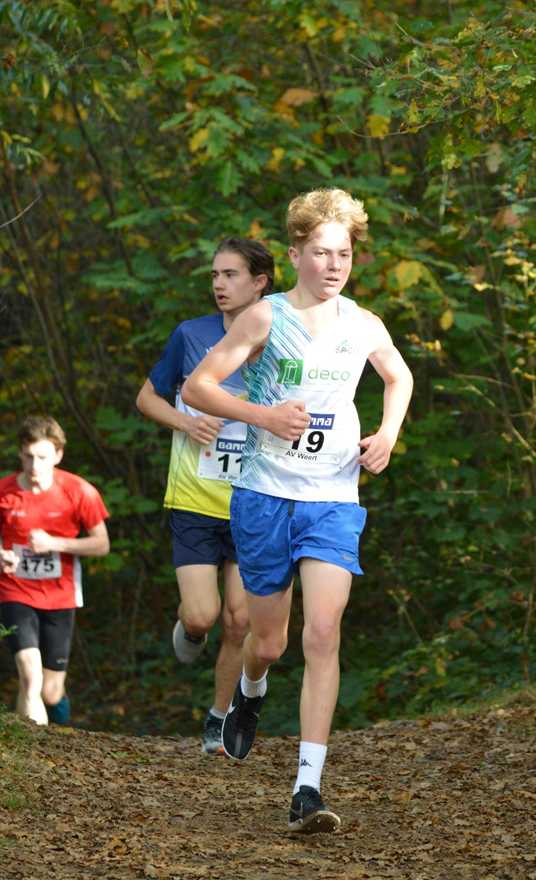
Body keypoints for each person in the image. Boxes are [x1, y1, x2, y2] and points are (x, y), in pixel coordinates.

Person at [181, 188, 413, 833]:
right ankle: (250, 692)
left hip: (334, 498)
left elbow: (399, 376)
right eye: (320, 253)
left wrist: (389, 433)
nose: (334, 265)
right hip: (264, 496)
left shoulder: (364, 323)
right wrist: (263, 415)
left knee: (323, 632)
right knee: (270, 640)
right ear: (295, 255)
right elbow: (200, 385)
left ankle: (307, 787)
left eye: (343, 254)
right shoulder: (264, 317)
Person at [136, 236, 275, 755]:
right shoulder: (190, 336)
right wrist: (185, 422)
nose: (218, 284)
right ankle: (191, 630)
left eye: (230, 274)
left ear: (260, 281)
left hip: (252, 500)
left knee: (241, 620)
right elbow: (147, 397)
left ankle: (219, 718)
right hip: (194, 499)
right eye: (214, 275)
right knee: (203, 615)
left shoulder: (282, 341)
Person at [0, 416, 110, 725]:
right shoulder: (4, 491)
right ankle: (33, 758)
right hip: (14, 591)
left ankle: (56, 720)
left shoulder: (79, 491)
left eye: (43, 457)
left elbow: (101, 544)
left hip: (60, 597)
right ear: (20, 453)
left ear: (58, 455)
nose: (35, 465)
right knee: (29, 678)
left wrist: (55, 543)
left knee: (49, 692)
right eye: (29, 456)